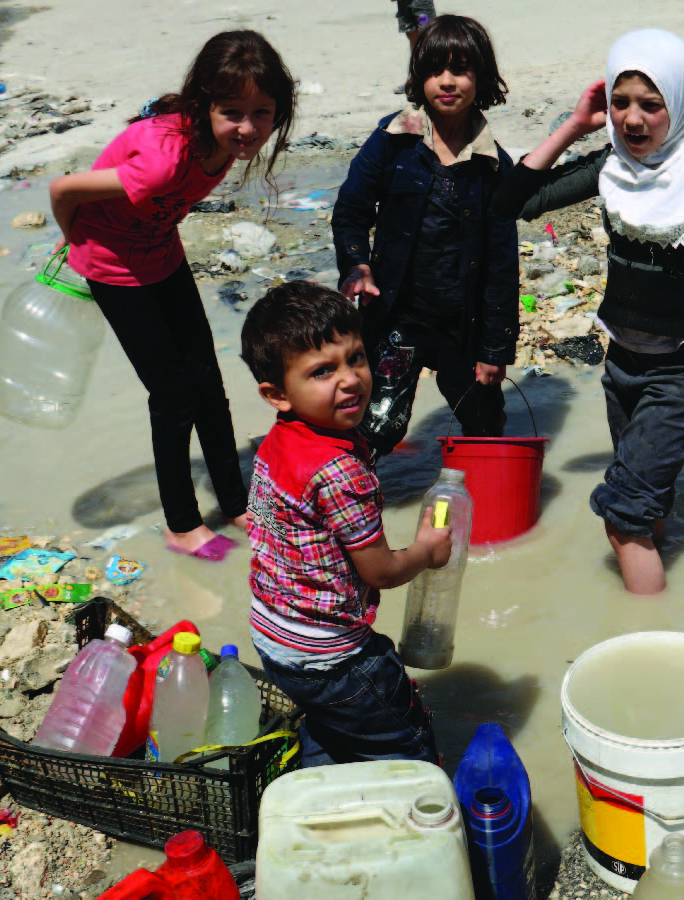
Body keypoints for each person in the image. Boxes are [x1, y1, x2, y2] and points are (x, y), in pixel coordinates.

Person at [492, 29, 684, 595]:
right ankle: (657, 590)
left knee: (621, 517)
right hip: (621, 367)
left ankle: (648, 639)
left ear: (682, 104)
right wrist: (572, 127)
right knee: (644, 505)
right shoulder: (612, 166)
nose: (633, 120)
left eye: (651, 105)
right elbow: (510, 203)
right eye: (621, 103)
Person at [49, 31, 295, 560]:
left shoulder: (224, 144)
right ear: (206, 104)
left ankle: (235, 502)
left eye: (263, 112)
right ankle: (181, 525)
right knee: (174, 395)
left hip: (163, 254)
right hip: (113, 267)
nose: (249, 128)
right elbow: (62, 189)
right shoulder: (164, 158)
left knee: (208, 378)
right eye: (233, 112)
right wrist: (75, 244)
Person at [239, 281, 451, 766]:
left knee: (333, 725)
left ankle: (313, 791)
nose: (350, 379)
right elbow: (380, 573)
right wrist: (426, 550)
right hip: (332, 655)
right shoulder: (339, 471)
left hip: (274, 637)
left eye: (355, 358)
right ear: (277, 395)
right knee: (406, 743)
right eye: (322, 371)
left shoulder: (278, 441)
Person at [332, 14, 519, 462]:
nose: (447, 82)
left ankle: (480, 519)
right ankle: (355, 514)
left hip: (464, 326)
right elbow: (351, 211)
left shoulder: (494, 166)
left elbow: (501, 265)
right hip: (399, 318)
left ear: (483, 78)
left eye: (460, 70)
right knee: (377, 423)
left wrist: (496, 349)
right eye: (435, 70)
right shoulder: (393, 141)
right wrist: (357, 266)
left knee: (483, 425)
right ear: (418, 78)